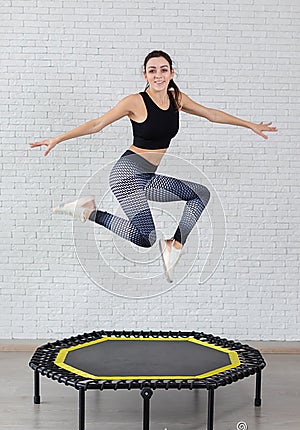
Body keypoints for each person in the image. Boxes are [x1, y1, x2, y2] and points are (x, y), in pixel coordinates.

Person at [29, 50, 277, 283]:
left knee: (187, 205)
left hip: (146, 177)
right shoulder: (135, 102)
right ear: (145, 75)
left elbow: (211, 114)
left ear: (171, 73)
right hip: (127, 174)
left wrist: (250, 125)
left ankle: (166, 241)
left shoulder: (176, 98)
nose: (158, 75)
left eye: (163, 70)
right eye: (152, 71)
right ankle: (98, 215)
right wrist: (58, 138)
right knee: (152, 233)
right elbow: (97, 124)